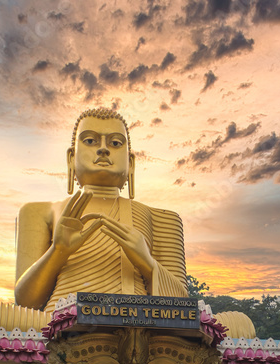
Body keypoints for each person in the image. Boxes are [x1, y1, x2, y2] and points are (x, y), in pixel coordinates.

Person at [14, 107, 188, 315]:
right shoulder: (39, 212)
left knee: (235, 323)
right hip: (59, 330)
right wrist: (58, 251)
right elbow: (25, 303)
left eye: (115, 143)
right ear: (71, 157)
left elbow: (183, 308)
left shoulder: (162, 219)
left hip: (140, 332)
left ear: (130, 163)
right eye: (90, 141)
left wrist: (147, 263)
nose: (103, 150)